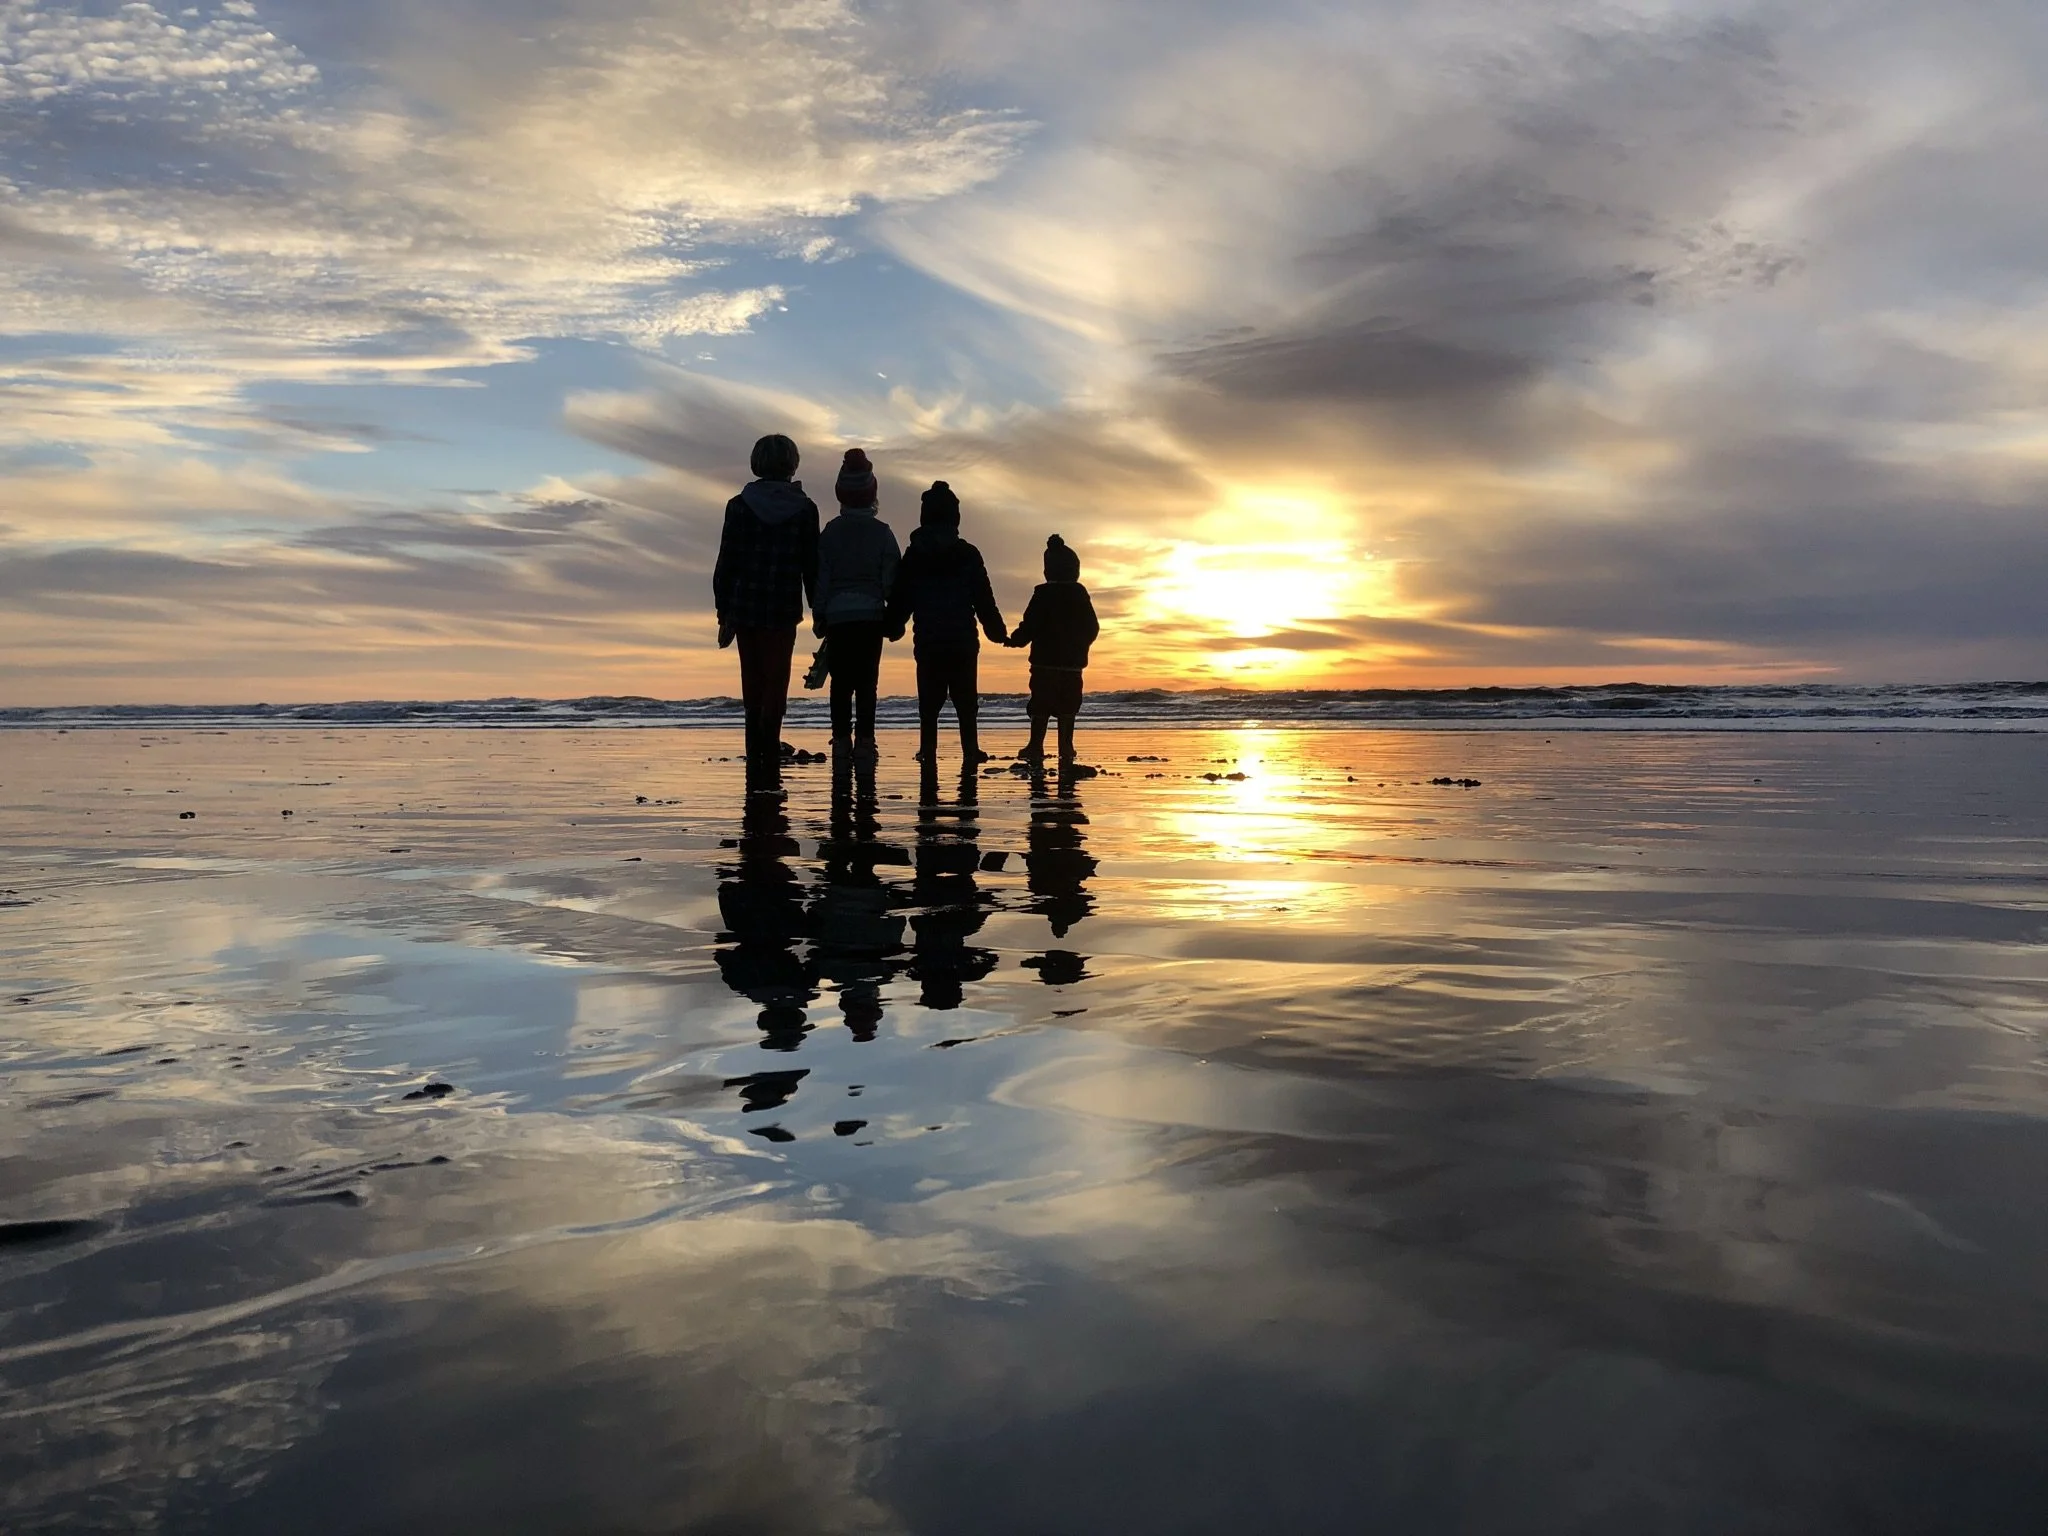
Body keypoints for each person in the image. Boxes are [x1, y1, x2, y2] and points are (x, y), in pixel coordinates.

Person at [713, 434, 820, 791]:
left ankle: (756, 751)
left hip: (745, 606)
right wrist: (818, 608)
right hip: (783, 606)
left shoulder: (739, 505)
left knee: (753, 681)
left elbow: (727, 561)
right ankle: (768, 750)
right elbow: (811, 566)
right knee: (776, 681)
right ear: (792, 464)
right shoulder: (805, 509)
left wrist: (723, 609)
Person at [885, 480, 1007, 767]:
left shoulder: (915, 555)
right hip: (962, 641)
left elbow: (902, 597)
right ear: (956, 518)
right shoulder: (967, 554)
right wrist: (996, 630)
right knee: (966, 704)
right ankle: (970, 749)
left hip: (928, 641)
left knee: (929, 705)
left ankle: (928, 749)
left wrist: (892, 626)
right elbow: (983, 598)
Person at [813, 448, 900, 756]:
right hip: (871, 617)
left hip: (838, 617)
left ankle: (839, 739)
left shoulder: (830, 533)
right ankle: (865, 740)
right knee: (867, 682)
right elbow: (891, 578)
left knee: (840, 684)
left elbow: (820, 577)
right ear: (872, 493)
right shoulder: (883, 534)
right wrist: (893, 614)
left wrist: (819, 612)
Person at [1005, 534, 1099, 763]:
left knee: (1040, 703)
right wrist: (1080, 646)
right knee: (1069, 704)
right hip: (1071, 665)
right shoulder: (1079, 594)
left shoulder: (1043, 594)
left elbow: (1031, 625)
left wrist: (1015, 639)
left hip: (1044, 663)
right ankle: (1065, 746)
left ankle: (1035, 745)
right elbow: (1092, 627)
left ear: (1048, 570)